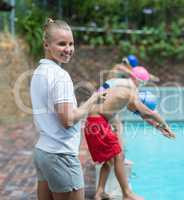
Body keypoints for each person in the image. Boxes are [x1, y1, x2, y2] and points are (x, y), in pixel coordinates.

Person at [30, 18, 105, 200]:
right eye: (62, 44)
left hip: (43, 152)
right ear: (46, 44)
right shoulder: (60, 76)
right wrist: (93, 99)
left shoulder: (39, 72)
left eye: (71, 43)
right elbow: (68, 120)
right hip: (61, 155)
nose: (68, 49)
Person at [84, 67, 175, 200]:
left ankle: (100, 192)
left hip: (95, 121)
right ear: (137, 81)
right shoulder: (130, 92)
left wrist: (158, 127)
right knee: (119, 155)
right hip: (98, 122)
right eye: (142, 84)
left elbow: (142, 115)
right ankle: (127, 194)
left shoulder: (121, 87)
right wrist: (166, 125)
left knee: (110, 161)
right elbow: (149, 113)